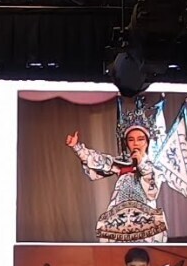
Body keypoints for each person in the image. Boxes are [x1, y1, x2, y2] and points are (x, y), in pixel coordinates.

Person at [64, 100, 167, 243]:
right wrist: (77, 147)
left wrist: (141, 163)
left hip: (144, 214)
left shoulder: (154, 166)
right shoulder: (121, 163)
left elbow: (152, 191)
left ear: (147, 142)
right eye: (131, 140)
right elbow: (99, 161)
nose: (135, 143)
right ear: (126, 143)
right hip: (120, 213)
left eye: (140, 139)